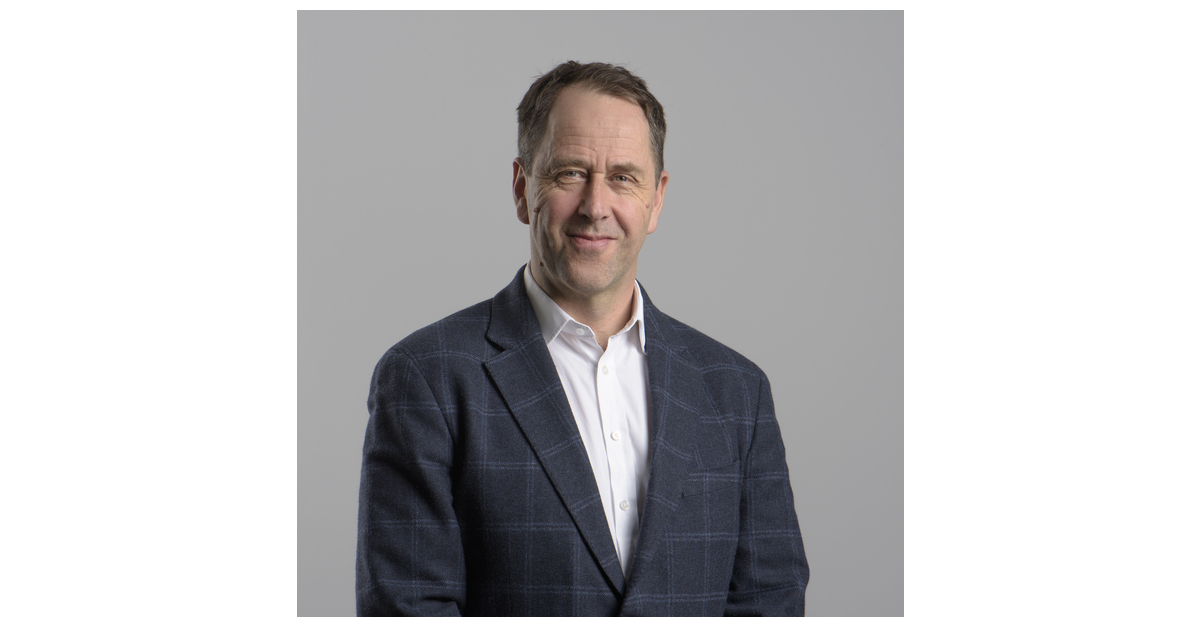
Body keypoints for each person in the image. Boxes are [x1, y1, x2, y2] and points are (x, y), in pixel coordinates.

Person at [356, 61, 809, 616]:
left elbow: (770, 604)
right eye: (569, 173)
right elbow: (409, 610)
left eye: (623, 177)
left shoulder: (737, 391)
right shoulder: (428, 378)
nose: (596, 206)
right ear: (522, 189)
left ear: (657, 200)